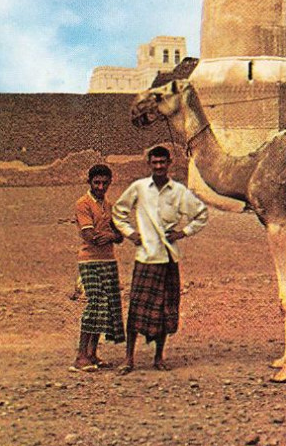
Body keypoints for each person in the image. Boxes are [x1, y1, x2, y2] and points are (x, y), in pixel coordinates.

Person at [112, 145, 208, 373]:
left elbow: (201, 214)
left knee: (166, 310)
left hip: (168, 259)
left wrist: (182, 233)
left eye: (162, 162)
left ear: (169, 163)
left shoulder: (179, 191)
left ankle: (158, 358)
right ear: (149, 164)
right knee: (136, 309)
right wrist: (131, 233)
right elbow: (119, 211)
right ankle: (129, 359)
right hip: (145, 257)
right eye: (154, 163)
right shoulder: (139, 188)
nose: (158, 167)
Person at [71, 163, 125, 372]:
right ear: (89, 183)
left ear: (110, 183)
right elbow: (89, 236)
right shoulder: (83, 204)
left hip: (109, 260)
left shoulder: (108, 205)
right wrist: (111, 235)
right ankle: (80, 356)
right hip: (89, 260)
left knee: (105, 308)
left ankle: (92, 354)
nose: (101, 187)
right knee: (95, 304)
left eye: (104, 183)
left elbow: (119, 235)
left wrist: (110, 236)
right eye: (97, 183)